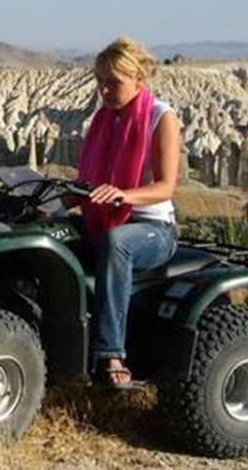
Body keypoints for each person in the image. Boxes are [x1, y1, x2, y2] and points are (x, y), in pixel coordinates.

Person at [77, 36, 181, 388]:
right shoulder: (104, 122)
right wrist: (46, 204)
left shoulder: (159, 117)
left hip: (154, 229)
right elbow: (87, 185)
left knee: (116, 242)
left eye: (113, 82)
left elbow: (166, 187)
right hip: (107, 216)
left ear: (140, 78)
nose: (104, 90)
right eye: (100, 82)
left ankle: (110, 351)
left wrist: (125, 196)